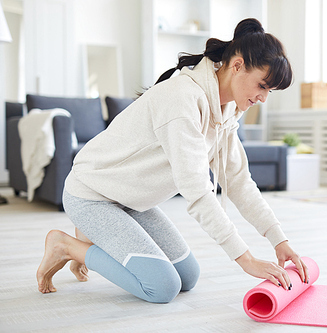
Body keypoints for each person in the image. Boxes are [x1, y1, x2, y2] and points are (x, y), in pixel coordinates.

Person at [36, 18, 309, 303]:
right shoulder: (182, 99)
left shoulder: (227, 112)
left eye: (269, 91)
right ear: (237, 65)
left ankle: (93, 237)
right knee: (161, 286)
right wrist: (247, 260)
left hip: (130, 201)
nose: (263, 98)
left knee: (187, 278)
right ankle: (67, 246)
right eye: (262, 86)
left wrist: (279, 240)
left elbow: (240, 182)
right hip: (92, 194)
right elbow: (198, 192)